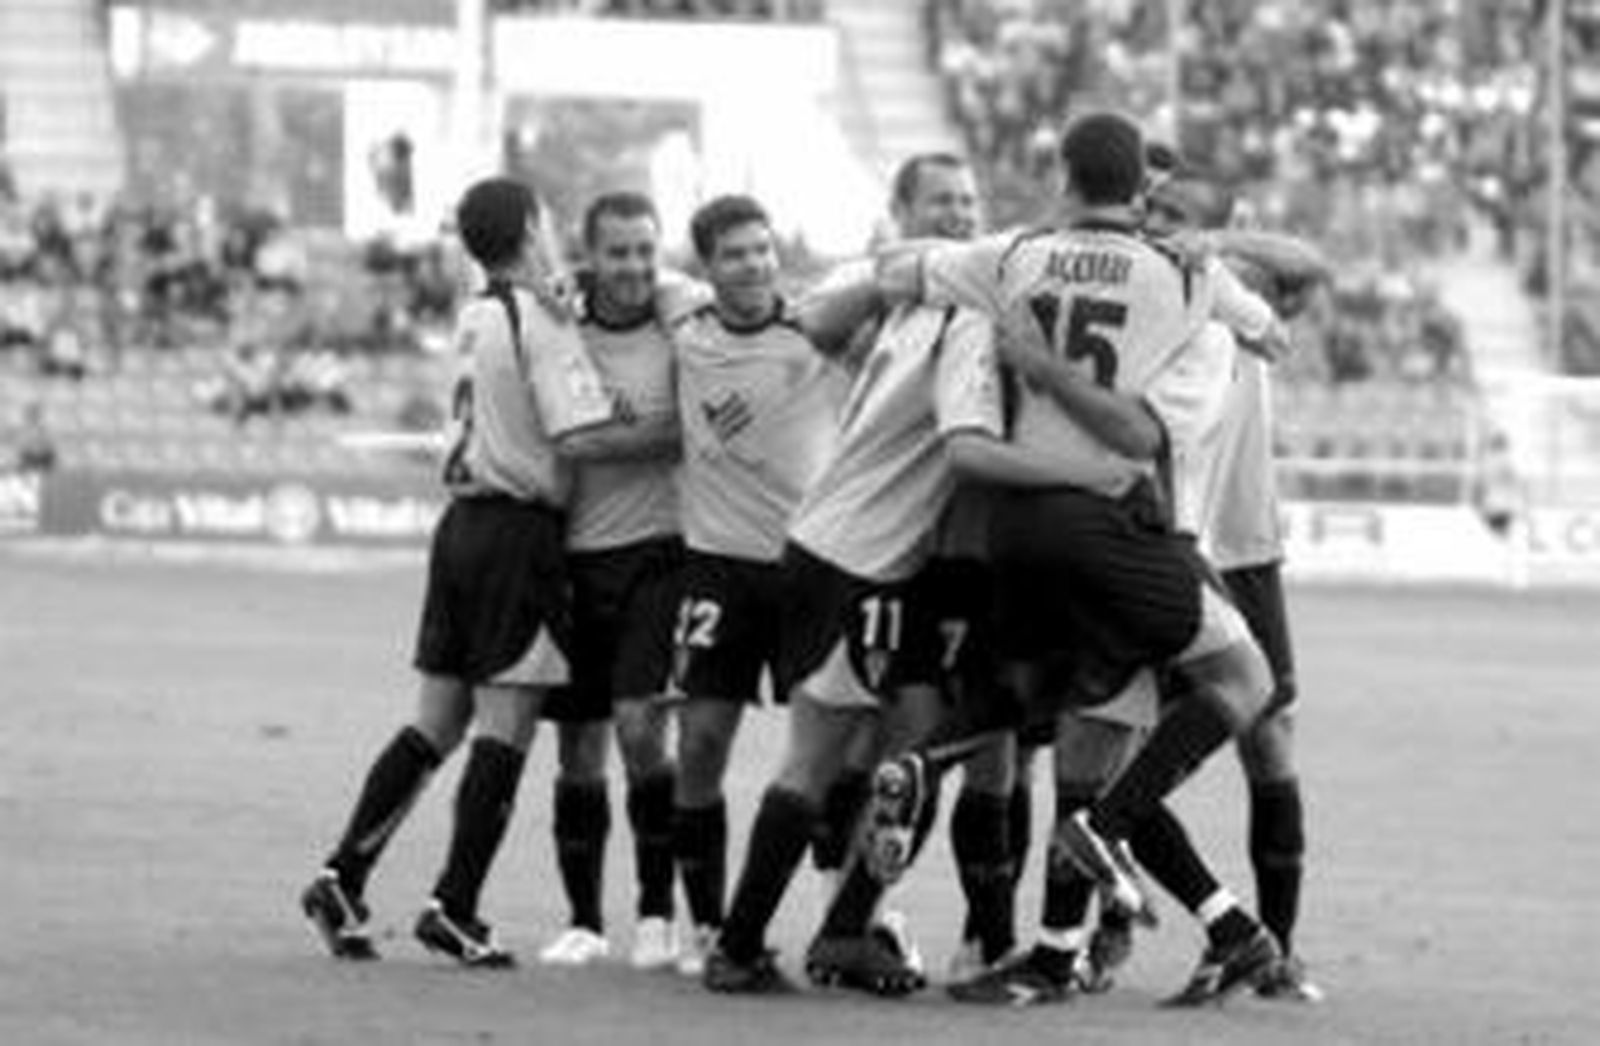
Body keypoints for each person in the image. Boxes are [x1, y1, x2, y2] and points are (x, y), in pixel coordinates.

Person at [866, 112, 1281, 998]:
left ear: (1063, 172)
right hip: (1122, 529)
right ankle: (1110, 841)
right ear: (1145, 190)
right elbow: (1266, 336)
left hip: (1015, 525)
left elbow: (898, 270)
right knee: (1245, 683)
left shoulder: (1013, 252)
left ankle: (1055, 948)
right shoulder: (1185, 277)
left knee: (1067, 726)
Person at [704, 154, 1013, 995]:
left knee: (913, 746)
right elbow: (968, 449)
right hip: (855, 560)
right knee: (823, 760)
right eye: (941, 202)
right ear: (904, 211)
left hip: (862, 557)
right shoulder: (952, 316)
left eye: (968, 200)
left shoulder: (923, 301)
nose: (959, 214)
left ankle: (845, 929)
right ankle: (738, 946)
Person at [299, 177, 624, 968]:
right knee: (505, 729)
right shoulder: (542, 319)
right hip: (519, 534)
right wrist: (656, 429)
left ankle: (343, 875)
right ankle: (456, 905)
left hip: (461, 531)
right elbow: (580, 435)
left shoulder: (478, 313)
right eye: (544, 221)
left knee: (436, 721)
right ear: (528, 230)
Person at [668, 194, 848, 977]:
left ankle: (845, 922)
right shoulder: (683, 329)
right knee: (702, 743)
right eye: (736, 253)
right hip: (716, 567)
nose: (754, 264)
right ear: (707, 266)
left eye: (763, 249)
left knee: (831, 755)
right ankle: (709, 925)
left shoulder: (815, 332)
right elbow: (615, 287)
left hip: (807, 568)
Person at [537, 192, 686, 970]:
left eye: (644, 250)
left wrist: (594, 439)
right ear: (588, 255)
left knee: (639, 728)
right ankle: (584, 921)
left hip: (660, 554)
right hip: (574, 559)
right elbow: (553, 433)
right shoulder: (559, 329)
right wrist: (627, 439)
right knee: (578, 748)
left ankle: (658, 914)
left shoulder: (678, 326)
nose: (633, 266)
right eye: (618, 251)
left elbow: (682, 431)